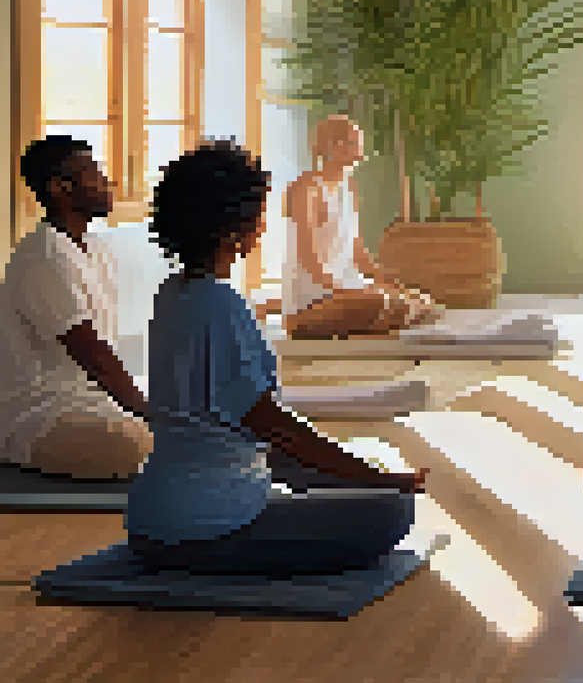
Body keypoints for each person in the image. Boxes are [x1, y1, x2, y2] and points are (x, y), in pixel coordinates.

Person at [125, 139, 428, 575]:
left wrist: (353, 470)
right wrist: (381, 480)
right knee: (392, 510)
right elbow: (273, 425)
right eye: (259, 212)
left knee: (323, 470)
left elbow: (260, 431)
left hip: (152, 518)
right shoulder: (222, 305)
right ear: (235, 228)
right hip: (206, 528)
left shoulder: (172, 295)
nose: (264, 223)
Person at [0, 135, 152, 479]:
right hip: (42, 415)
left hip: (94, 404)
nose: (105, 181)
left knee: (199, 423)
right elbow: (94, 355)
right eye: (93, 173)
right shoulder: (43, 256)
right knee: (136, 444)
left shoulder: (96, 250)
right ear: (60, 188)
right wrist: (150, 412)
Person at [280, 115, 439, 339]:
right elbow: (311, 265)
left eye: (359, 143)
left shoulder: (349, 188)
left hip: (346, 291)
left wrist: (398, 287)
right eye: (353, 143)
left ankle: (374, 319)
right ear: (331, 147)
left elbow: (359, 256)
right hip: (310, 302)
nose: (361, 152)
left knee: (421, 302)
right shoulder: (306, 190)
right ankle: (371, 319)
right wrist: (358, 292)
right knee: (385, 303)